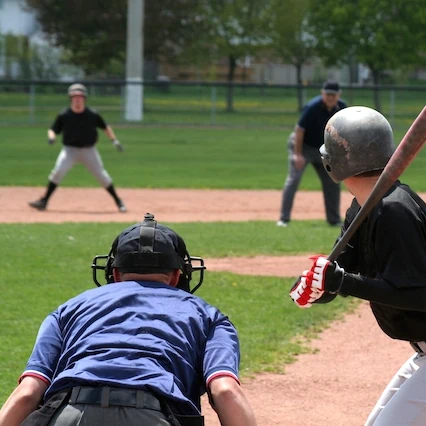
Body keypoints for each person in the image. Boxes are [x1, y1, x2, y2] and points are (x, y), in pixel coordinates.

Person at [289, 106, 426, 425]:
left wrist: (341, 282)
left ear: (334, 162)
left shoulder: (395, 211)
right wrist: (315, 287)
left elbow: (417, 296)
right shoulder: (362, 211)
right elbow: (337, 273)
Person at [0, 213, 257, 426]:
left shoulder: (69, 309)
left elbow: (28, 393)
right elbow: (225, 391)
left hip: (68, 412)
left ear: (115, 273)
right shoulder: (209, 316)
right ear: (177, 276)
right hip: (154, 415)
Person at [28, 83, 127, 213]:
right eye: (74, 96)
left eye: (80, 96)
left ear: (84, 98)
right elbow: (53, 129)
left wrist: (114, 141)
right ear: (70, 98)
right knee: (58, 172)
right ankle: (44, 201)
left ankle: (118, 201)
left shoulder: (92, 114)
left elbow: (105, 127)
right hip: (70, 151)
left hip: (89, 150)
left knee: (102, 176)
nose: (77, 99)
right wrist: (51, 137)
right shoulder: (64, 115)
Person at [276, 80, 347, 227]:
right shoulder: (313, 107)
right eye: (327, 94)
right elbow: (299, 130)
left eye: (333, 95)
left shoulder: (342, 108)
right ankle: (283, 219)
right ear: (322, 94)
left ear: (338, 95)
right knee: (293, 180)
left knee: (332, 182)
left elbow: (344, 131)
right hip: (303, 147)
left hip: (323, 150)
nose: (330, 98)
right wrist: (297, 154)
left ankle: (334, 220)